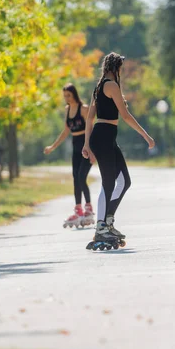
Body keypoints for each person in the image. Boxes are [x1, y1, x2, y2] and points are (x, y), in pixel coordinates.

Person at [82, 52, 155, 247]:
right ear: (115, 68)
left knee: (124, 181)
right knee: (108, 182)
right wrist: (145, 135)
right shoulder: (111, 85)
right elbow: (125, 115)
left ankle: (108, 221)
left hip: (106, 137)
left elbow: (89, 118)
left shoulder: (98, 88)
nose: (121, 70)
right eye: (120, 67)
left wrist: (87, 144)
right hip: (103, 136)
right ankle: (101, 227)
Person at [44, 83, 94, 228]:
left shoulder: (84, 109)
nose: (66, 98)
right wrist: (53, 146)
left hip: (86, 146)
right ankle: (78, 209)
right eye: (65, 95)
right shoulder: (67, 110)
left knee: (81, 177)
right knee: (75, 178)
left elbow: (91, 128)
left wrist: (92, 150)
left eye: (69, 95)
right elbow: (66, 131)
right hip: (75, 147)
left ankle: (88, 208)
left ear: (74, 95)